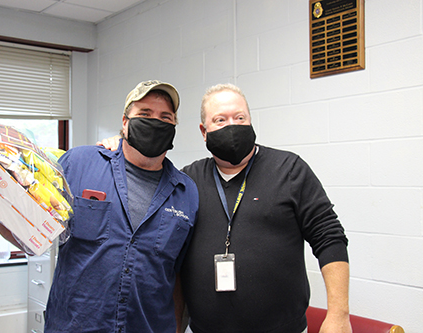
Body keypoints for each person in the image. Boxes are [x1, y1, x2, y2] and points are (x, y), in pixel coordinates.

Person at [99, 83, 351, 333]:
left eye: (239, 118)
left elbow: (329, 238)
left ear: (251, 122)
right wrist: (119, 144)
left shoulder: (289, 170)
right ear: (204, 131)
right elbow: (170, 256)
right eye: (220, 120)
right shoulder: (187, 182)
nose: (231, 126)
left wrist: (338, 315)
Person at [44, 80, 199, 333]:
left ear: (174, 128)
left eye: (165, 117)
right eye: (144, 114)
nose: (155, 122)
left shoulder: (186, 192)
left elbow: (176, 276)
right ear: (125, 123)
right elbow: (29, 229)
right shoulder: (79, 164)